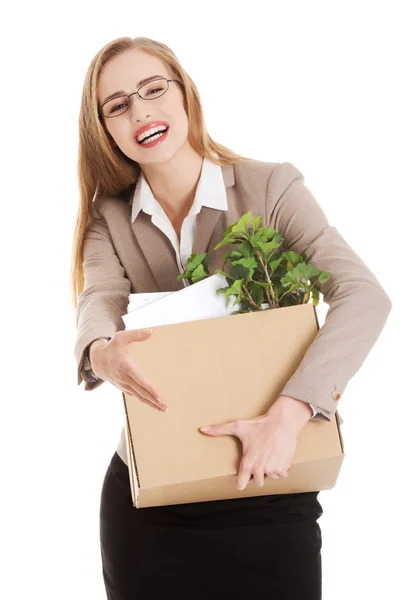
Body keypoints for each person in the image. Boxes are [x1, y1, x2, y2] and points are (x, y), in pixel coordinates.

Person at [70, 36, 392, 599]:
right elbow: (97, 296)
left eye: (153, 90)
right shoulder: (110, 217)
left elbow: (364, 294)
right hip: (151, 503)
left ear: (185, 94)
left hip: (267, 477)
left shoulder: (269, 187)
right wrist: (101, 351)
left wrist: (290, 416)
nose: (141, 111)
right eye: (118, 105)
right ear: (105, 129)